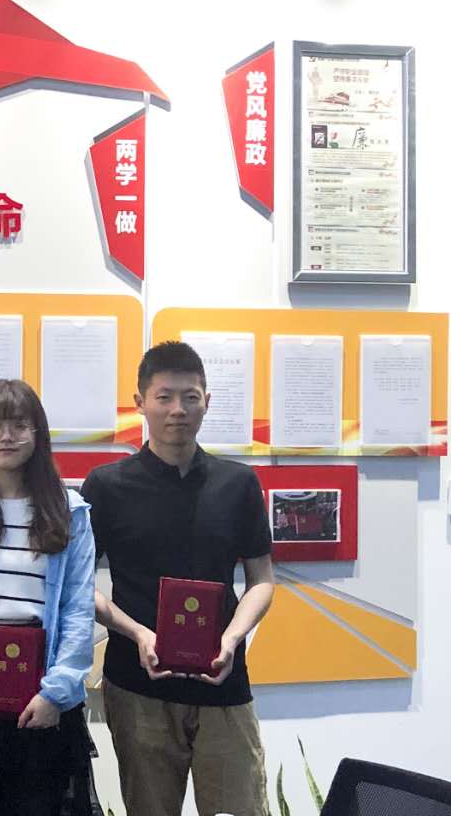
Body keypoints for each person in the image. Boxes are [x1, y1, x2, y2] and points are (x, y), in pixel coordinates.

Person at [82, 340, 275, 816]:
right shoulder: (106, 486)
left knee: (240, 810)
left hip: (223, 680)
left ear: (207, 401)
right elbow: (77, 587)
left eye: (190, 397)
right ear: (140, 403)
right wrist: (137, 633)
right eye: (164, 397)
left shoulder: (238, 483)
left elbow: (262, 580)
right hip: (137, 685)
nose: (178, 410)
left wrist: (231, 638)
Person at [0, 378, 96, 816]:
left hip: (42, 686)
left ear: (37, 433)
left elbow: (78, 607)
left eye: (19, 426)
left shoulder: (70, 510)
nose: (6, 437)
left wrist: (57, 692)